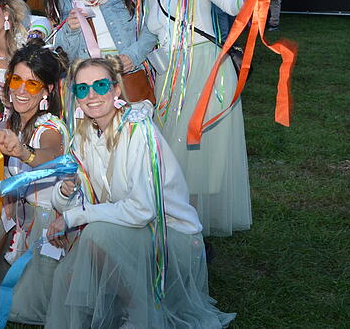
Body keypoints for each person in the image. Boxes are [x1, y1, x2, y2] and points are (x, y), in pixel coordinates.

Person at [45, 57, 235, 328]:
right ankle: (122, 303)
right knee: (70, 274)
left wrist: (73, 217)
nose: (92, 95)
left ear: (116, 89)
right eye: (82, 89)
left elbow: (142, 210)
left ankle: (140, 313)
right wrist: (65, 193)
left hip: (170, 235)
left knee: (96, 235)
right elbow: (74, 202)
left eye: (100, 85)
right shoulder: (84, 136)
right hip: (129, 227)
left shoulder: (138, 131)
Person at [127, 0, 251, 237]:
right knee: (171, 157)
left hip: (204, 72)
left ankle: (191, 235)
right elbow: (152, 37)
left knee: (193, 158)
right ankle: (182, 232)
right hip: (170, 79)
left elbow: (230, 2)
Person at [0, 43, 70, 323]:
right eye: (16, 80)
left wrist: (23, 152)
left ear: (47, 90)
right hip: (24, 215)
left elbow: (51, 154)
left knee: (44, 300)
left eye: (32, 84)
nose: (21, 90)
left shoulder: (49, 127)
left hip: (50, 222)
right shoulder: (13, 122)